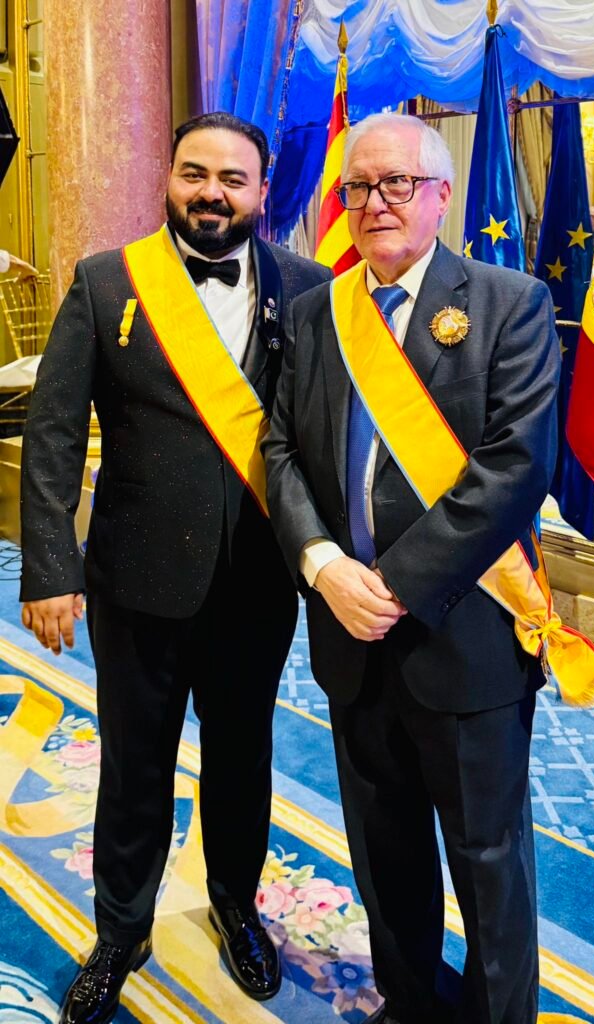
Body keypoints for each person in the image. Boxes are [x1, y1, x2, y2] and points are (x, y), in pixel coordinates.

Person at [20, 111, 330, 1024]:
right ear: (169, 178)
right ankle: (122, 929)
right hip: (136, 579)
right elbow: (51, 433)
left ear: (262, 191)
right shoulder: (108, 280)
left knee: (241, 757)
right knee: (134, 765)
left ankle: (236, 905)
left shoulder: (309, 288)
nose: (211, 194)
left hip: (256, 582)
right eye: (195, 174)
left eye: (233, 179)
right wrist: (49, 568)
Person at [264, 112, 560, 1024]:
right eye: (358, 186)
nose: (376, 202)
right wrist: (323, 565)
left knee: (487, 856)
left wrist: (391, 586)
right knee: (383, 845)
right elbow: (278, 450)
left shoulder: (510, 302)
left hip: (463, 636)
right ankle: (408, 1001)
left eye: (398, 183)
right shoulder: (317, 313)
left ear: (441, 196)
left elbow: (517, 467)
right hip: (348, 634)